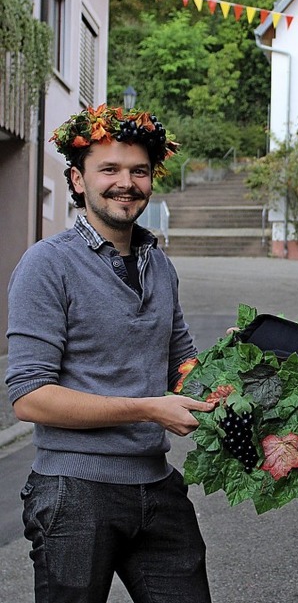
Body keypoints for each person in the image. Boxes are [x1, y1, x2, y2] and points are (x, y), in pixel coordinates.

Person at [6, 104, 216, 603]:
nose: (127, 182)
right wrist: (146, 408)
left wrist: (238, 363)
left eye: (139, 171)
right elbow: (30, 398)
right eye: (110, 170)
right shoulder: (46, 265)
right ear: (78, 181)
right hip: (73, 492)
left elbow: (183, 367)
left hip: (157, 487)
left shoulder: (159, 266)